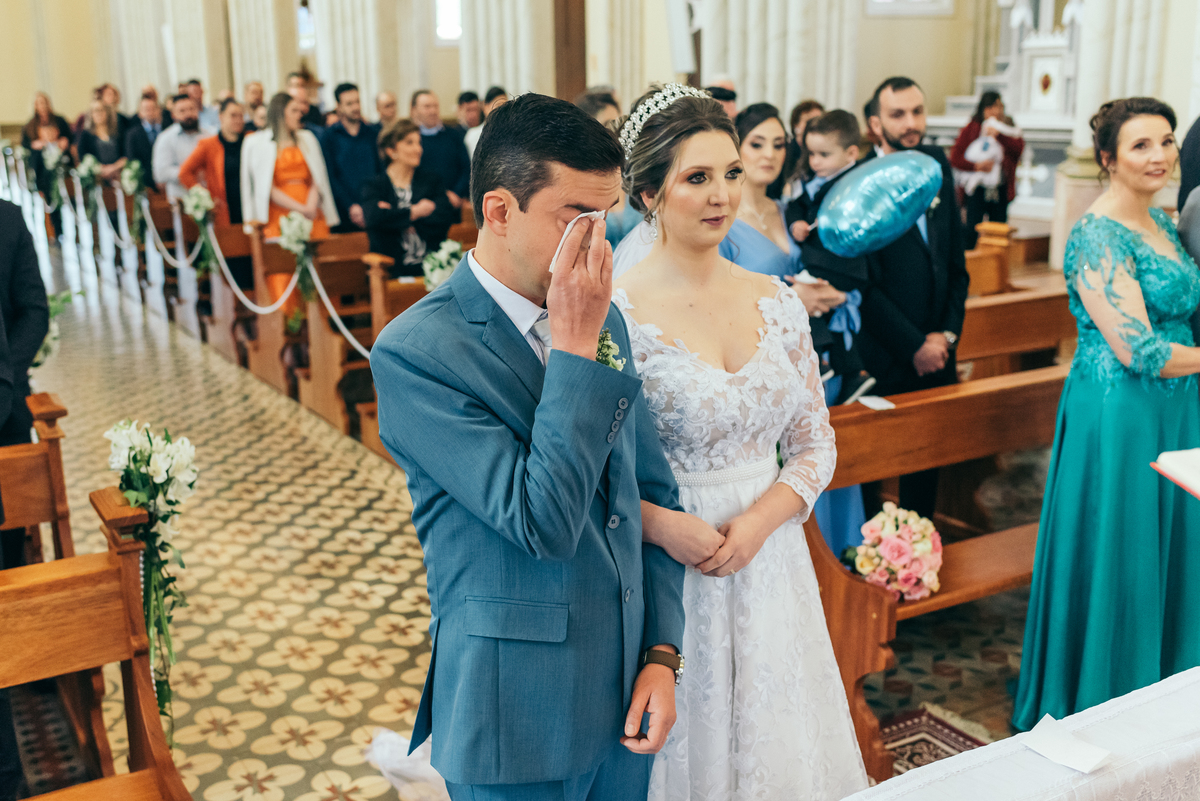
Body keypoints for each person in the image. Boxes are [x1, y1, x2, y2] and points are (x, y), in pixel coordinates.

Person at [369, 92, 689, 799]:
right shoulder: (417, 352)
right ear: (499, 211)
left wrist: (662, 653)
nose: (596, 245)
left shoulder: (604, 321)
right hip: (515, 714)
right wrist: (573, 348)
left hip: (626, 700)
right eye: (575, 220)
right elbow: (542, 522)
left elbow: (648, 494)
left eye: (606, 219)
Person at [612, 84, 868, 800]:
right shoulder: (613, 315)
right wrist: (663, 525)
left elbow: (815, 444)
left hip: (771, 558)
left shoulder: (777, 301)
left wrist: (759, 521)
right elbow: (590, 469)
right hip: (668, 563)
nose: (721, 194)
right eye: (696, 177)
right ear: (648, 194)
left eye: (730, 172)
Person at [1014, 96, 1200, 730]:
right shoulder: (1096, 234)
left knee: (1171, 546)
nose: (1159, 156)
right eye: (1141, 145)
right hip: (1121, 413)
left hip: (1176, 405)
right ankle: (1104, 694)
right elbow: (1138, 349)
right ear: (1108, 158)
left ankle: (1166, 689)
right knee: (1123, 546)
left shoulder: (1163, 222)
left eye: (1166, 141)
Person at [859, 76, 969, 519]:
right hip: (885, 357)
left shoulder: (936, 164)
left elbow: (955, 264)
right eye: (898, 114)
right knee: (872, 473)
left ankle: (919, 550)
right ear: (875, 124)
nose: (911, 123)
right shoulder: (858, 181)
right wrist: (914, 345)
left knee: (926, 474)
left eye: (917, 112)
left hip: (938, 356)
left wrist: (946, 336)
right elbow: (862, 285)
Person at [784, 110, 875, 405]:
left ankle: (820, 361)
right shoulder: (818, 179)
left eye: (824, 154)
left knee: (802, 297)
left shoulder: (855, 184)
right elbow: (797, 205)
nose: (815, 162)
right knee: (832, 315)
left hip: (839, 262)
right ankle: (852, 372)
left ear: (851, 153)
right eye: (811, 154)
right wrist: (796, 223)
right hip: (830, 262)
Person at [242, 92, 338, 315]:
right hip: (280, 215)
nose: (300, 114)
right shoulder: (257, 143)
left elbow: (318, 177)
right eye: (294, 110)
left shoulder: (307, 138)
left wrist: (310, 206)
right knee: (283, 274)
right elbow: (265, 187)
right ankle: (290, 321)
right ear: (280, 113)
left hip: (312, 212)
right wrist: (300, 208)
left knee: (320, 272)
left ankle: (321, 323)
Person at [361, 120, 455, 277]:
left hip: (431, 268)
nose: (418, 149)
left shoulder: (431, 181)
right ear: (391, 150)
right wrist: (415, 212)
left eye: (419, 143)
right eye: (409, 143)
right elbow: (373, 219)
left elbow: (444, 217)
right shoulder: (375, 186)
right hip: (391, 270)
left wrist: (395, 216)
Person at [179, 98, 249, 290]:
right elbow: (185, 173)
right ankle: (239, 301)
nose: (238, 120)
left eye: (241, 116)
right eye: (233, 115)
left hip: (250, 209)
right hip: (226, 209)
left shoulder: (251, 140)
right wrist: (205, 196)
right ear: (221, 117)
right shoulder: (209, 145)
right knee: (235, 264)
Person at [950, 91, 1024, 249]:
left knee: (998, 229)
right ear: (983, 109)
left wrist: (1000, 135)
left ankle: (995, 260)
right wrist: (977, 166)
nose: (995, 111)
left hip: (1000, 187)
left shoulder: (1007, 126)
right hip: (977, 189)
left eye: (998, 107)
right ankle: (970, 259)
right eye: (990, 107)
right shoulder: (972, 128)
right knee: (972, 229)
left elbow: (1018, 149)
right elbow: (955, 157)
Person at [575, 91, 641, 248]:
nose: (615, 131)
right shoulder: (577, 181)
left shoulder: (633, 173)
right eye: (607, 124)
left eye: (618, 123)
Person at [319, 83, 381, 232]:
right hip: (344, 212)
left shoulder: (372, 134)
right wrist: (350, 205)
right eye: (349, 103)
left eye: (357, 102)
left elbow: (380, 170)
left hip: (374, 207)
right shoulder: (329, 137)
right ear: (339, 106)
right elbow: (330, 176)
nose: (355, 107)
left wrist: (375, 202)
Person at [21, 92, 72, 235]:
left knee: (68, 195)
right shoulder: (30, 125)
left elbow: (69, 137)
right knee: (51, 197)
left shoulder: (59, 121)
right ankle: (57, 230)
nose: (42, 106)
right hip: (43, 169)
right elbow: (26, 145)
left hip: (61, 164)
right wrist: (35, 145)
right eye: (39, 103)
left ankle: (72, 229)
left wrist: (64, 142)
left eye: (44, 102)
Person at [411, 90, 470, 210]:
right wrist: (440, 194)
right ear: (414, 110)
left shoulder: (454, 135)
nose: (433, 111)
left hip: (455, 204)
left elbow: (466, 168)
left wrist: (457, 193)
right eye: (427, 107)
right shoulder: (411, 141)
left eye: (435, 106)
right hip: (423, 205)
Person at [152, 93, 212, 200]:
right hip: (180, 198)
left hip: (208, 196)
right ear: (173, 115)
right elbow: (160, 173)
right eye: (182, 111)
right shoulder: (165, 139)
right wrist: (188, 172)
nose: (188, 114)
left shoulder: (209, 135)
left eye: (191, 109)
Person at [779, 99, 825, 199]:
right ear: (796, 125)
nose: (815, 125)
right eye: (809, 121)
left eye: (820, 121)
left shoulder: (824, 151)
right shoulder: (785, 151)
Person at [75, 99, 127, 182]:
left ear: (107, 112)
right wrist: (100, 169)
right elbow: (83, 157)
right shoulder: (85, 135)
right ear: (91, 114)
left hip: (119, 173)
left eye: (101, 110)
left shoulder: (118, 131)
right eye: (95, 111)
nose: (99, 113)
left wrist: (113, 168)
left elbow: (127, 154)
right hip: (97, 177)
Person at [464, 85, 508, 159]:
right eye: (498, 106)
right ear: (485, 106)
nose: (502, 111)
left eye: (506, 107)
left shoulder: (509, 133)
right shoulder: (473, 135)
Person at [124, 93, 164, 169]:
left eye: (153, 108)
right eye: (146, 109)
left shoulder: (166, 129)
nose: (150, 112)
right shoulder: (132, 134)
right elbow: (132, 159)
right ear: (140, 113)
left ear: (159, 110)